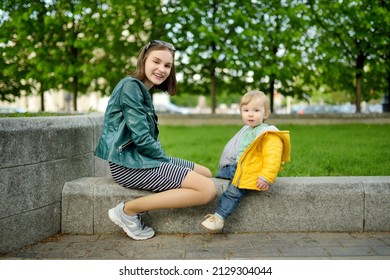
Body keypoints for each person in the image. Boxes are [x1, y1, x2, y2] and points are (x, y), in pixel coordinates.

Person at [95, 40, 216, 240]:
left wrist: (164, 162)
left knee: (206, 173)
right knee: (206, 189)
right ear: (144, 60)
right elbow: (142, 138)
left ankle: (133, 205)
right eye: (156, 62)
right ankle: (127, 211)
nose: (162, 69)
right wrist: (164, 161)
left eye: (167, 65)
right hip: (128, 165)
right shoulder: (131, 87)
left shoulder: (143, 91)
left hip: (141, 159)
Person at [201, 90, 291, 231]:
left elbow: (272, 158)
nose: (250, 114)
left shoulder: (268, 134)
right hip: (239, 166)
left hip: (252, 172)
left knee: (233, 192)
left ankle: (219, 217)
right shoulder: (247, 130)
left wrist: (266, 177)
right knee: (222, 173)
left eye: (256, 110)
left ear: (265, 113)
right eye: (246, 110)